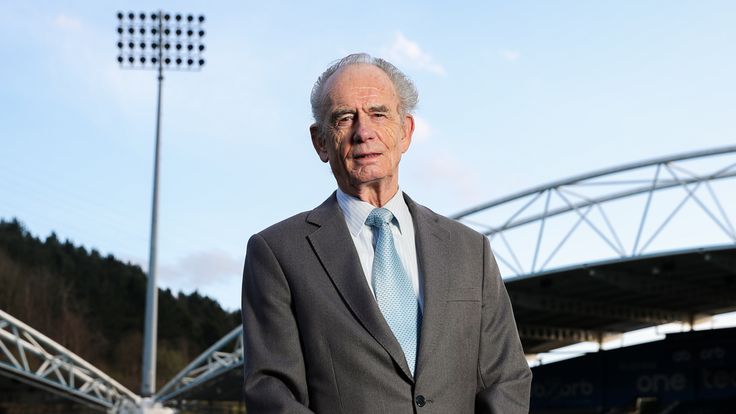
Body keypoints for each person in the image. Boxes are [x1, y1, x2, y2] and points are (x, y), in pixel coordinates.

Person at [241, 53, 531, 413]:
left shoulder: (470, 250)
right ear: (320, 142)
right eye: (344, 118)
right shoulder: (278, 254)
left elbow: (507, 380)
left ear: (405, 131)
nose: (364, 132)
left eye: (379, 114)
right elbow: (274, 395)